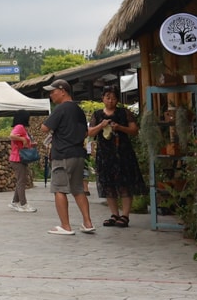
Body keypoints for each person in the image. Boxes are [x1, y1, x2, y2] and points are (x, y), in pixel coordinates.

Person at [86, 85, 146, 228]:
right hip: (105, 154)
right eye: (108, 98)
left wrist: (119, 128)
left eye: (113, 98)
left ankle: (125, 215)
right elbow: (90, 132)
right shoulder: (97, 114)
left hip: (123, 153)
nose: (111, 101)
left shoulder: (124, 113)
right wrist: (101, 125)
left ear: (117, 100)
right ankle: (114, 214)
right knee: (108, 185)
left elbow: (134, 130)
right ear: (103, 99)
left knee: (125, 183)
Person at [41, 79, 95, 235]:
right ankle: (87, 223)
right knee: (78, 189)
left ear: (62, 91)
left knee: (59, 189)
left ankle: (65, 226)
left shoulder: (61, 108)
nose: (51, 95)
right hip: (78, 154)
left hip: (63, 155)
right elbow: (86, 132)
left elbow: (44, 128)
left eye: (53, 91)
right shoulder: (78, 110)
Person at [8, 110, 37, 212]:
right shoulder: (19, 127)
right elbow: (12, 135)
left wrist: (30, 144)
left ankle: (14, 202)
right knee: (22, 181)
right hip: (17, 158)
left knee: (21, 180)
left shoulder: (21, 128)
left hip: (20, 158)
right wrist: (23, 140)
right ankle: (23, 204)